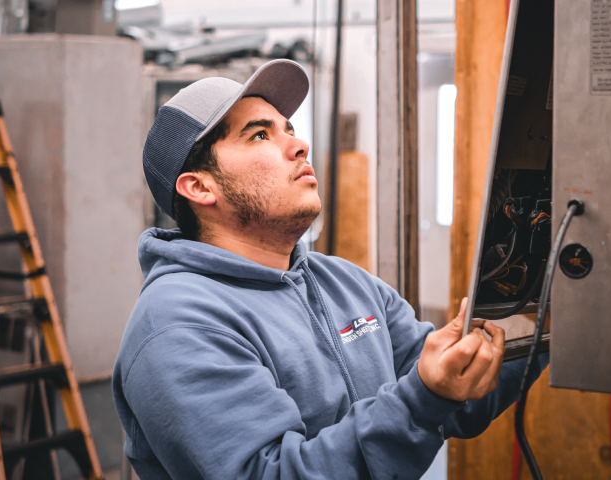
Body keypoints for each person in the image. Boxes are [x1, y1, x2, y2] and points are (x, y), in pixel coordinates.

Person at [113, 59, 548, 479]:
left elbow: (455, 397)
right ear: (200, 187)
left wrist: (560, 318)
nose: (298, 145)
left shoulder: (343, 282)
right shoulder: (178, 326)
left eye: (289, 129)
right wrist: (422, 397)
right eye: (260, 135)